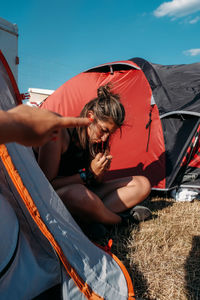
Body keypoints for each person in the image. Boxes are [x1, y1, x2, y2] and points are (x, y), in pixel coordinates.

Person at [35, 84, 151, 231]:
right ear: (90, 117)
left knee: (142, 184)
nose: (105, 138)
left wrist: (99, 172)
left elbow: (95, 183)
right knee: (81, 195)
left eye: (110, 133)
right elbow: (44, 187)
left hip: (85, 196)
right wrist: (88, 173)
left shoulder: (96, 141)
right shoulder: (58, 132)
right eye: (103, 130)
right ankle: (121, 220)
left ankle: (93, 218)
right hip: (54, 199)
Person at [0, 104, 91, 146]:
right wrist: (18, 122)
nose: (103, 138)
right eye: (103, 130)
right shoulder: (58, 131)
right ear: (90, 115)